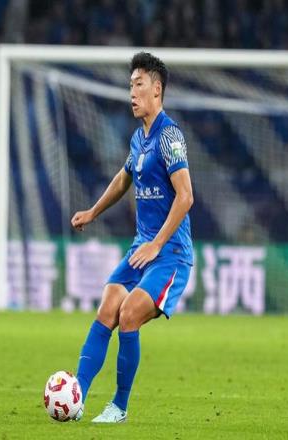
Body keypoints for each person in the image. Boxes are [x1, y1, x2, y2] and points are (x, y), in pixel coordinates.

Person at [71, 52, 194, 423]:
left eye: (139, 85)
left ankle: (119, 407)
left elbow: (186, 196)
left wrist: (157, 243)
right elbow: (124, 178)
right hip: (142, 249)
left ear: (157, 90)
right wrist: (93, 212)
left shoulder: (170, 136)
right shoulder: (139, 138)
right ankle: (76, 397)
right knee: (108, 306)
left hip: (170, 254)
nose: (132, 93)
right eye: (130, 86)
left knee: (128, 315)